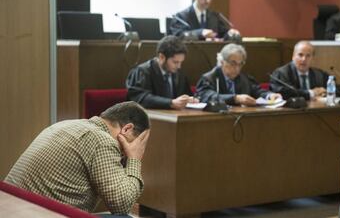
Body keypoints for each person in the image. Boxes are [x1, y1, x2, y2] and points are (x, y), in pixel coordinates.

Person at [5, 101, 150, 215]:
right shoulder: (102, 140)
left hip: (11, 209)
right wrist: (134, 158)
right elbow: (121, 206)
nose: (128, 151)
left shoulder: (66, 124)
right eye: (137, 142)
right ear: (127, 129)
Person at [196, 43, 281, 106]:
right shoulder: (208, 79)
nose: (237, 68)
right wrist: (235, 98)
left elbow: (257, 91)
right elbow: (208, 97)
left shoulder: (244, 78)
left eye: (240, 64)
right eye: (233, 63)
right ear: (222, 62)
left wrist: (270, 95)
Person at [126, 35, 197, 109]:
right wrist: (170, 103)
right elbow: (141, 98)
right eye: (175, 62)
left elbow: (186, 94)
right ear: (161, 57)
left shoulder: (179, 74)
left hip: (174, 116)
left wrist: (190, 100)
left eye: (181, 62)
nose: (179, 66)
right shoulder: (142, 72)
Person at [270, 41, 340, 100]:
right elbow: (284, 93)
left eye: (308, 56)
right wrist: (312, 93)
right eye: (300, 55)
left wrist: (326, 92)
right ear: (293, 56)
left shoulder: (319, 74)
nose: (304, 59)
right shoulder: (282, 73)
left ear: (313, 58)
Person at [169, 0, 240, 40]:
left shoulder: (215, 16)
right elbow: (178, 35)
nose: (208, 1)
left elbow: (222, 33)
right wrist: (200, 33)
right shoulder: (181, 17)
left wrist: (230, 33)